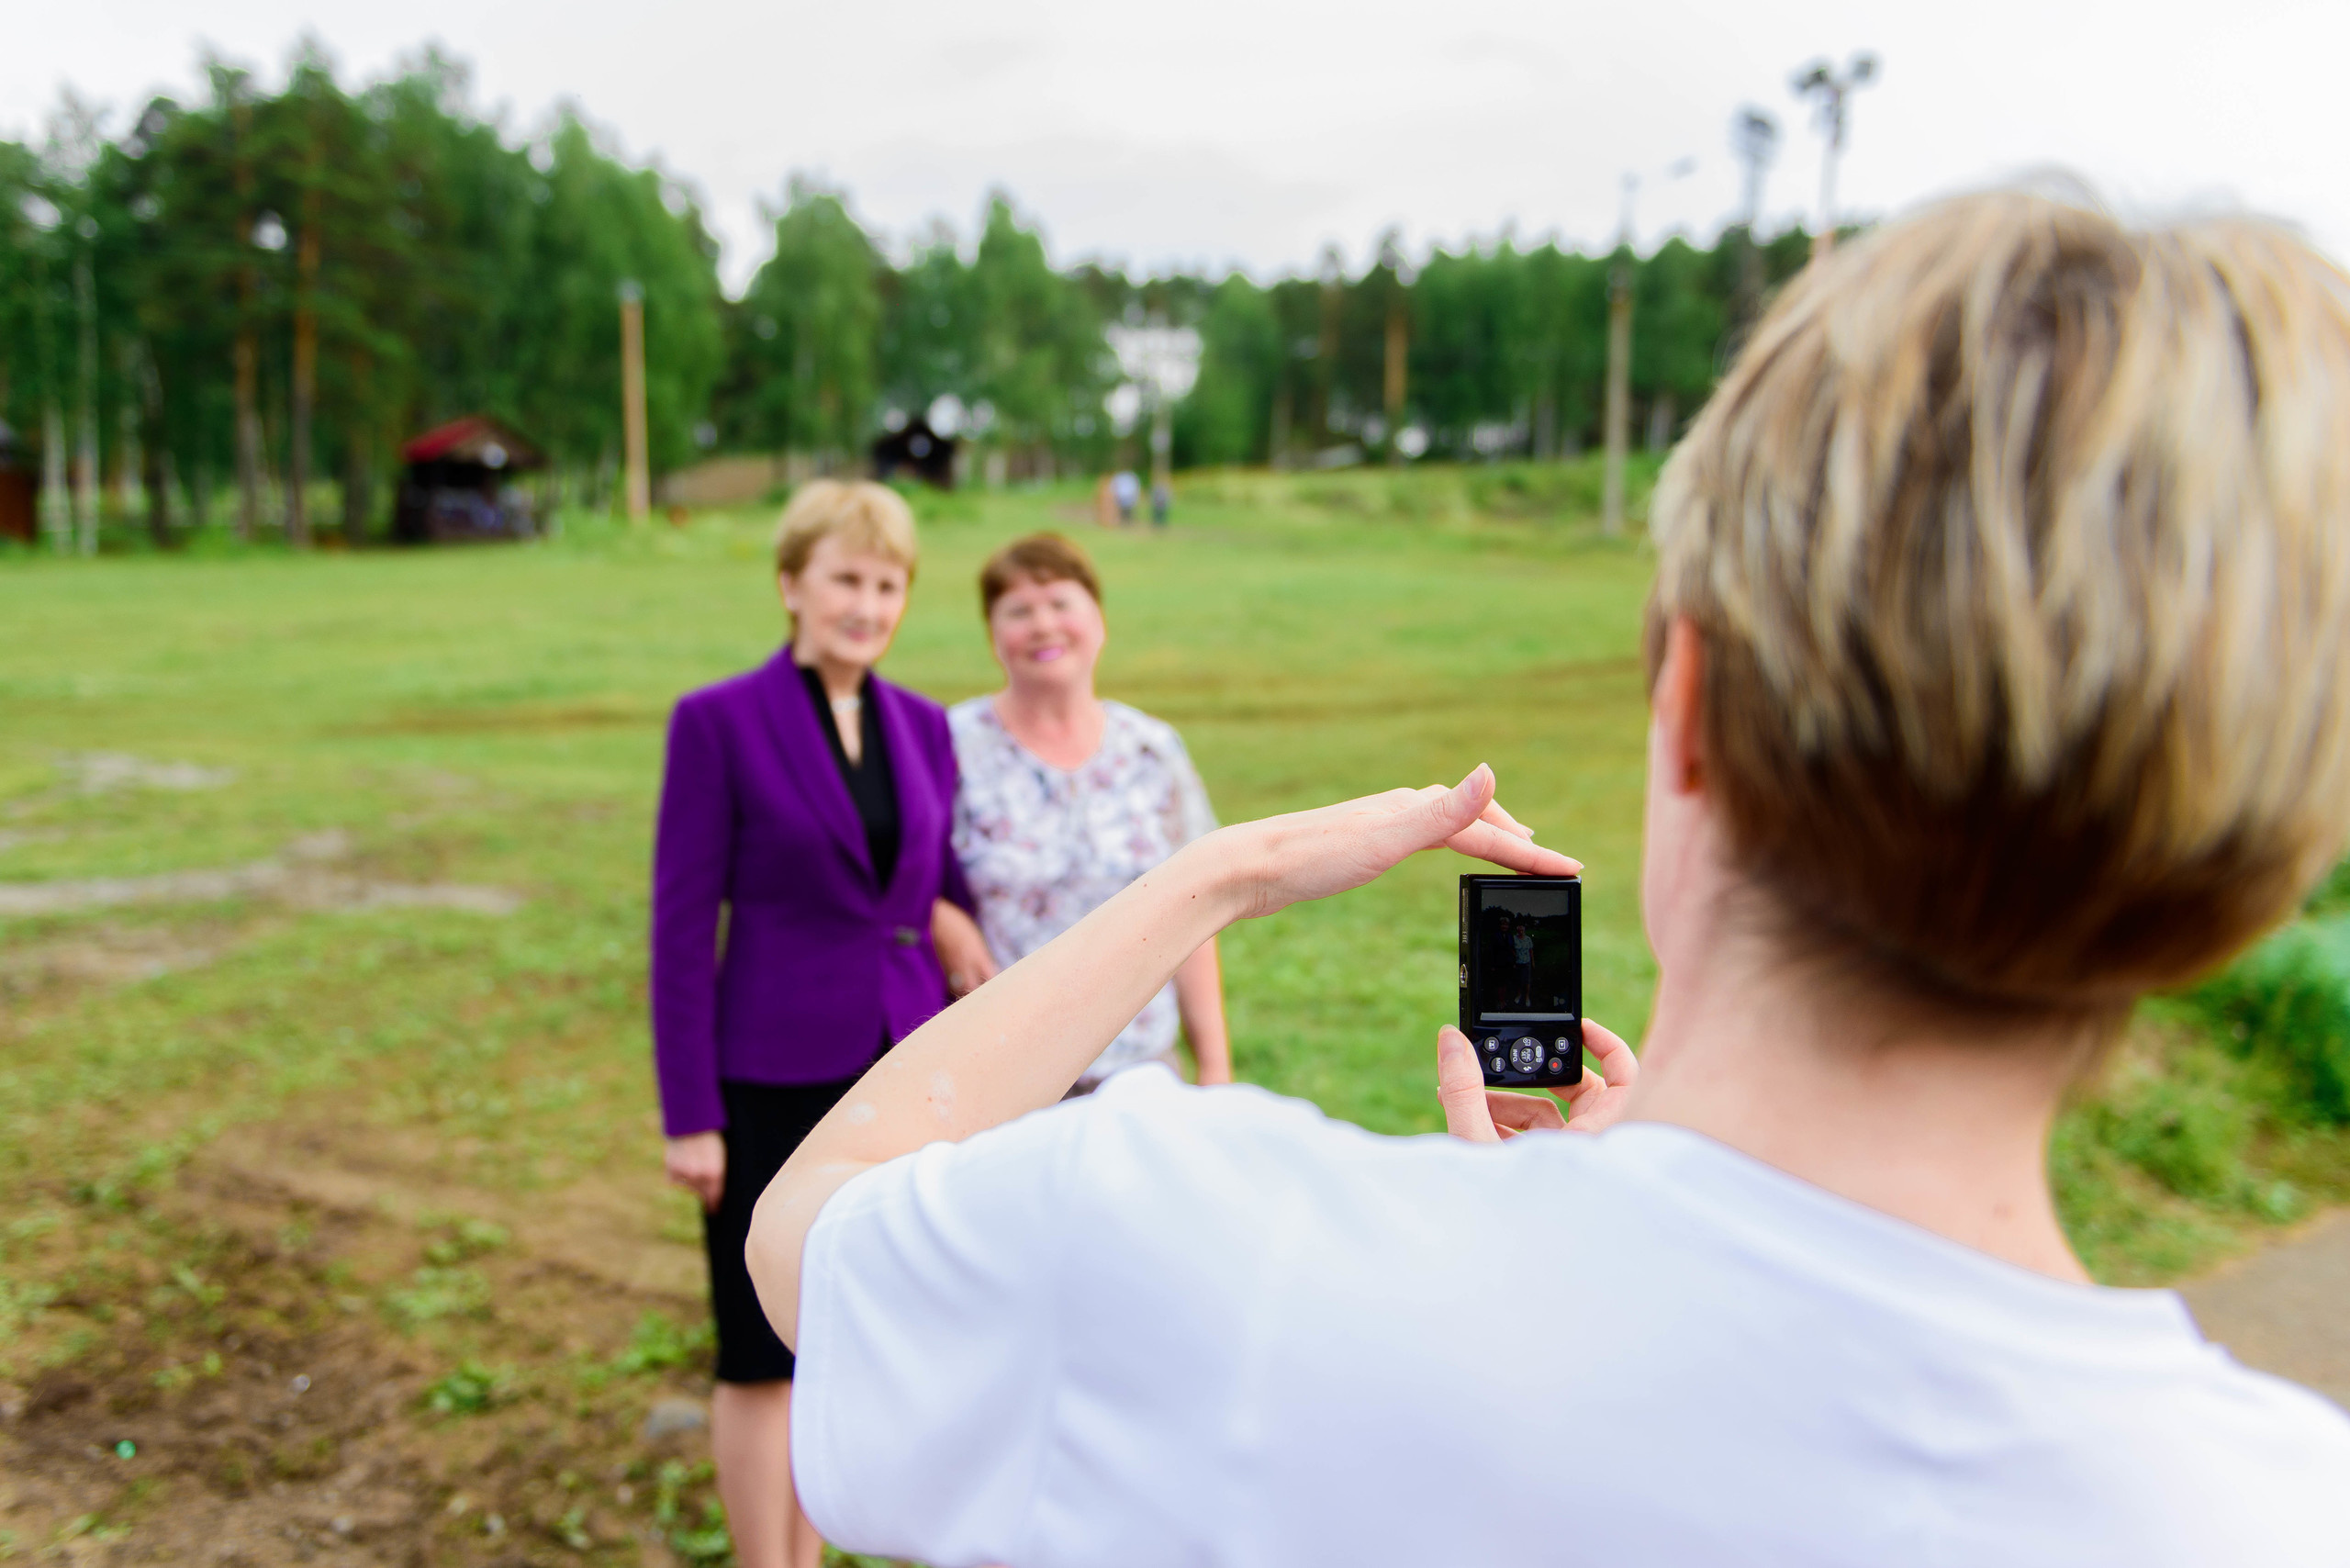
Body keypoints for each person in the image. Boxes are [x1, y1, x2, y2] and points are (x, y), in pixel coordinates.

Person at [746, 195, 2350, 1564]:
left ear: (1694, 707)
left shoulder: (1211, 1255)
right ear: (2241, 852)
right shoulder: (2282, 1508)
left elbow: (803, 1229)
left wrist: (1216, 876)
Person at [648, 479, 994, 1568]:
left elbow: (936, 879)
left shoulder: (925, 726)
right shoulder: (716, 722)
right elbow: (677, 926)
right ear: (792, 584)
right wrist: (689, 1114)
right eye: (845, 578)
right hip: (767, 1072)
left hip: (895, 1068)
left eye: (887, 584)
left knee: (848, 1338)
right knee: (759, 1348)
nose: (867, 602)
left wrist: (940, 913)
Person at [947, 532, 1229, 1090]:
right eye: (1019, 610)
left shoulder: (1152, 748)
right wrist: (943, 922)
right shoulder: (949, 745)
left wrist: (1216, 1071)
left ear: (1098, 619)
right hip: (1002, 1076)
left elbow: (1196, 913)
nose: (1043, 625)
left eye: (1060, 603)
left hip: (1142, 1071)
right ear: (993, 634)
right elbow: (906, 879)